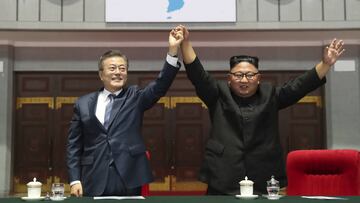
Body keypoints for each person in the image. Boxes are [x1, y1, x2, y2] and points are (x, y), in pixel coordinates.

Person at [176, 25, 345, 195]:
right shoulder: (218, 94)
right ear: (229, 79)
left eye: (250, 75)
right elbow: (197, 74)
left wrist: (325, 64)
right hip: (222, 176)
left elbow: (298, 87)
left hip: (264, 174)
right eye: (238, 75)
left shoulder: (269, 94)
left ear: (258, 78)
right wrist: (185, 43)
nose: (244, 79)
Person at [66, 28, 184, 197]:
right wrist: (74, 179)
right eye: (112, 68)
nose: (118, 72)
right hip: (93, 175)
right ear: (101, 74)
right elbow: (74, 145)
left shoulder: (135, 97)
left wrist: (173, 51)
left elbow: (160, 85)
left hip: (128, 174)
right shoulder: (83, 103)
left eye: (122, 68)